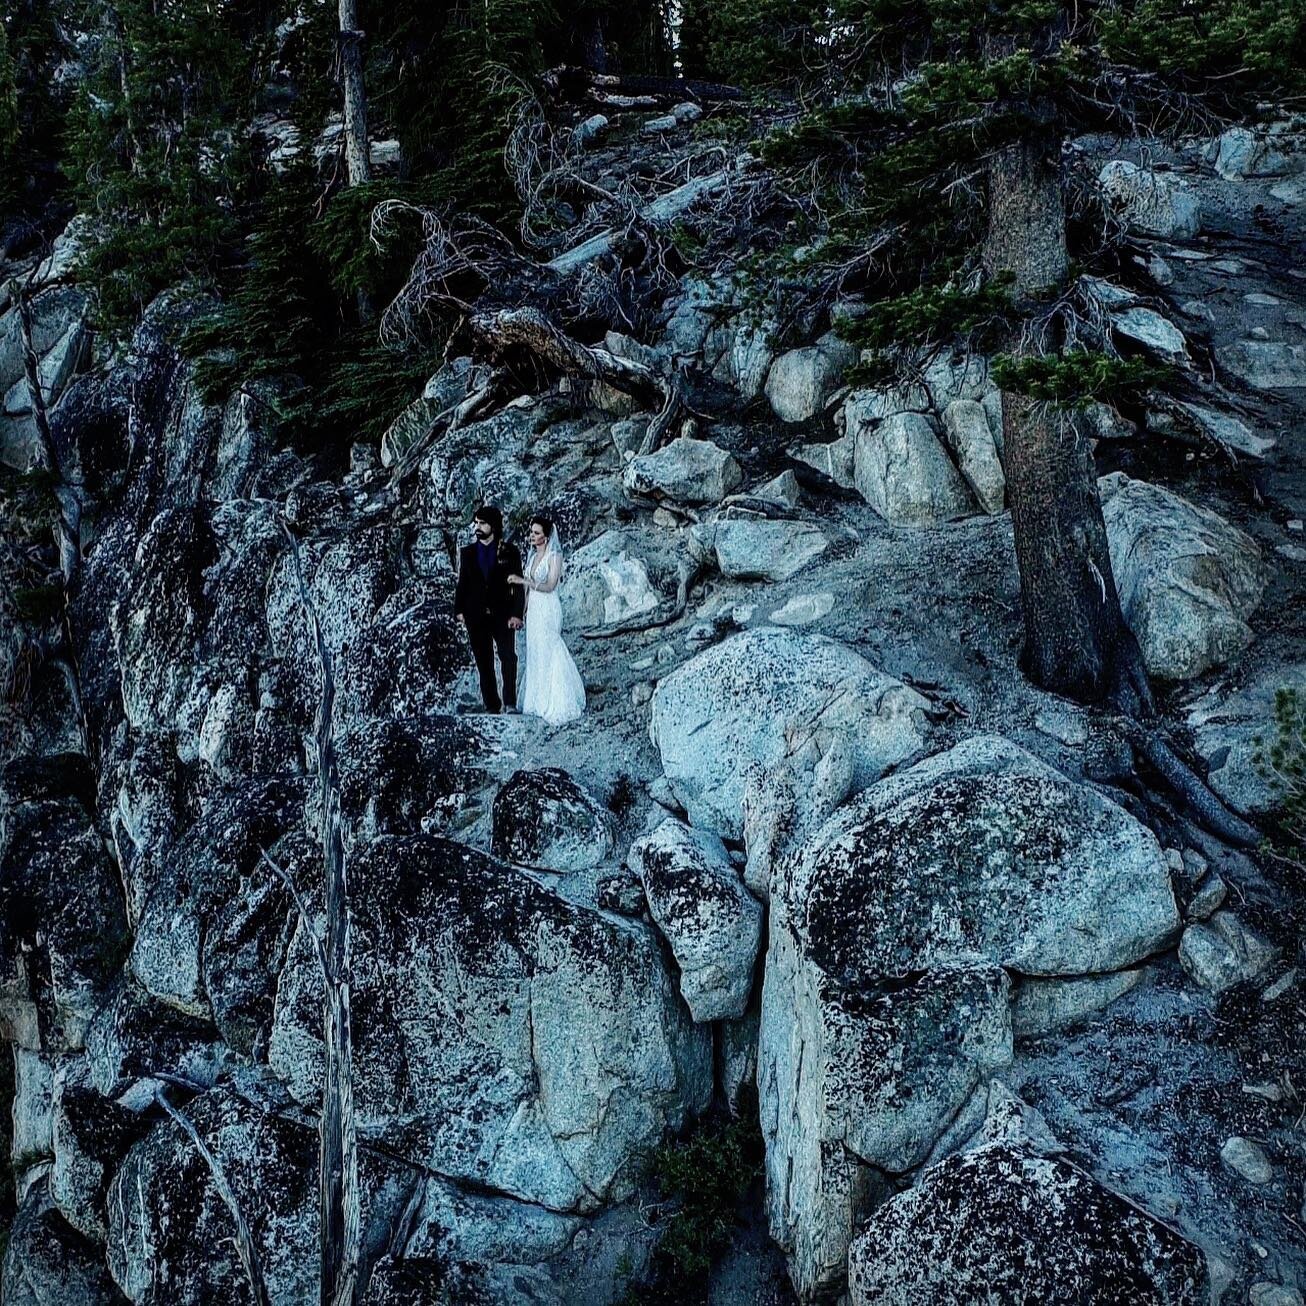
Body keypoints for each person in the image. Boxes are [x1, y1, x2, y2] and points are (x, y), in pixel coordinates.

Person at [508, 515, 586, 727]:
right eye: (531, 532)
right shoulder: (532, 556)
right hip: (534, 608)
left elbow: (550, 585)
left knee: (550, 646)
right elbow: (527, 590)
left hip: (548, 606)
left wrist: (523, 579)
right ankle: (537, 700)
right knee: (535, 649)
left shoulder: (555, 555)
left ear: (546, 536)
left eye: (536, 533)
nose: (532, 536)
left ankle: (557, 699)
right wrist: (522, 611)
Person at [453, 505, 524, 714]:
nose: (478, 527)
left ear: (493, 525)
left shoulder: (510, 551)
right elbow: (462, 583)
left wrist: (517, 614)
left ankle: (510, 702)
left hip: (502, 614)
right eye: (476, 522)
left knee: (508, 657)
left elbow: (517, 585)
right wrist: (459, 610)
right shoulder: (467, 553)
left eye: (482, 523)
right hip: (475, 615)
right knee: (484, 662)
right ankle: (492, 705)